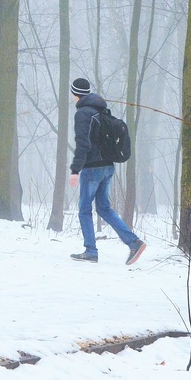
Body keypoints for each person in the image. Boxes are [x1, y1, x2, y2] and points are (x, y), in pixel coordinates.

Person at [68, 76, 147, 264]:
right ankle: (134, 242)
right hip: (107, 167)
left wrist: (75, 170)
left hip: (92, 169)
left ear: (75, 94)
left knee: (84, 210)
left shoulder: (83, 114)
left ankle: (91, 251)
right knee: (104, 208)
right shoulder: (100, 110)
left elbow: (83, 144)